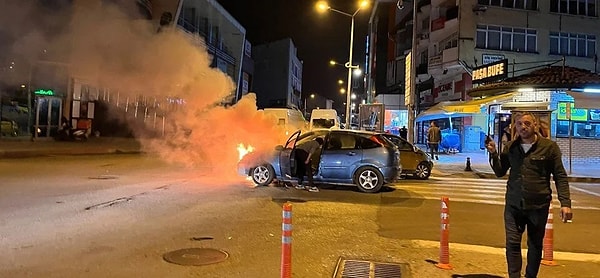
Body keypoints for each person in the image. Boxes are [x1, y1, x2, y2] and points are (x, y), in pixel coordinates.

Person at [486, 112, 572, 278]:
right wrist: (493, 153)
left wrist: (565, 203)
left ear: (535, 125)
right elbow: (499, 172)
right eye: (519, 124)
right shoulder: (510, 147)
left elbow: (560, 175)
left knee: (534, 245)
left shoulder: (549, 147)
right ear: (515, 126)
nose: (522, 127)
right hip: (513, 205)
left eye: (526, 123)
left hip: (538, 206)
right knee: (512, 243)